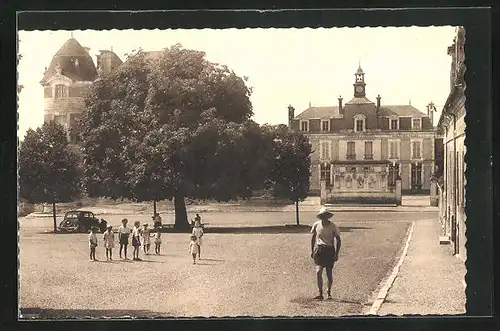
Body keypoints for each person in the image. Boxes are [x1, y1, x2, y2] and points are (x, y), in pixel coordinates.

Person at [310, 206, 341, 300]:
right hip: (319, 250)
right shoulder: (316, 225)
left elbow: (338, 239)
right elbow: (313, 237)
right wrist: (312, 250)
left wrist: (336, 253)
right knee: (318, 272)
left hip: (329, 250)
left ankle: (329, 292)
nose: (324, 217)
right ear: (320, 216)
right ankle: (320, 293)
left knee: (328, 273)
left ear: (328, 216)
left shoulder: (333, 226)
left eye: (326, 215)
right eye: (323, 215)